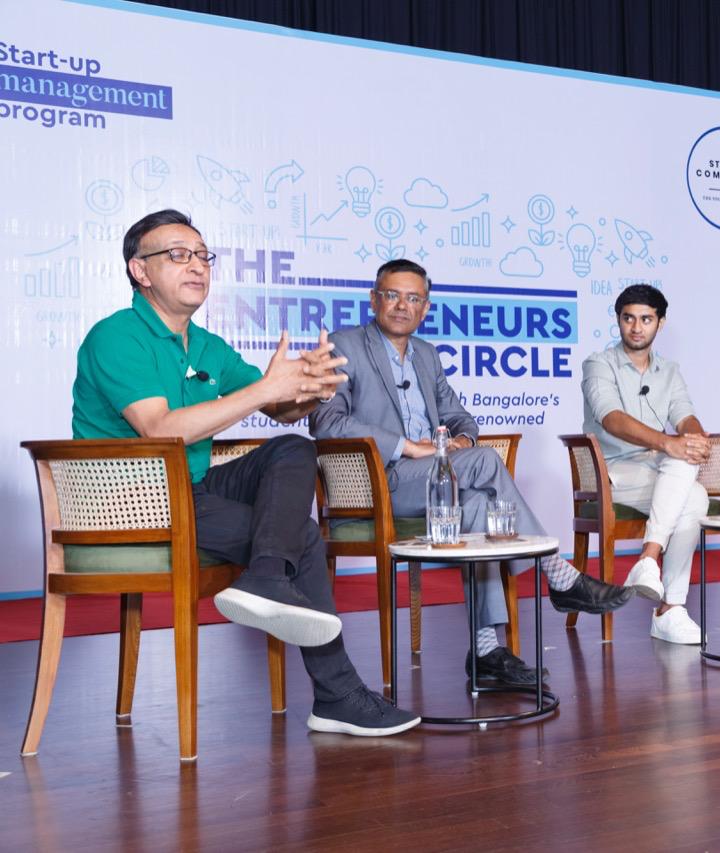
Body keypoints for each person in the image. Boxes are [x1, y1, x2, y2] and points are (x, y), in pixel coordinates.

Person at [72, 209, 420, 737]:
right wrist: (264, 389)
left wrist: (307, 389)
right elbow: (159, 428)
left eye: (203, 255)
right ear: (140, 272)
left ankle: (265, 578)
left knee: (291, 449)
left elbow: (277, 410)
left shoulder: (205, 345)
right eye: (177, 255)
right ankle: (337, 695)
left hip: (190, 488)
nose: (196, 266)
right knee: (299, 535)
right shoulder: (116, 336)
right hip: (129, 501)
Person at [311, 260, 633, 685]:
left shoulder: (426, 354)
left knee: (480, 504)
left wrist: (460, 440)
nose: (402, 306)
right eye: (392, 295)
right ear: (374, 299)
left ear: (426, 307)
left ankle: (485, 651)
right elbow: (326, 423)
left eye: (413, 298)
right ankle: (559, 574)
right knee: (485, 462)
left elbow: (459, 415)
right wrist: (408, 446)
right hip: (380, 481)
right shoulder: (343, 345)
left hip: (437, 479)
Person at [581, 283, 711, 645]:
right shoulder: (598, 364)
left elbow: (686, 416)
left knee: (690, 484)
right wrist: (670, 443)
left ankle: (649, 565)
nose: (636, 327)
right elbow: (611, 418)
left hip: (656, 469)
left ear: (661, 324)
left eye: (646, 319)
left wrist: (694, 438)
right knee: (693, 492)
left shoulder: (669, 371)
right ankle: (669, 606)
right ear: (619, 321)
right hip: (611, 472)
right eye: (628, 319)